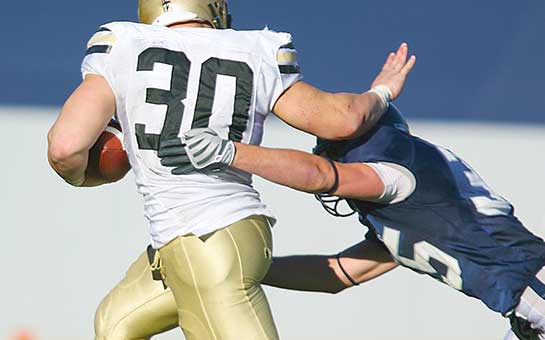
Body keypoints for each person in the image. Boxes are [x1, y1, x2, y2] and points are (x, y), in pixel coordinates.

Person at [46, 0, 416, 339]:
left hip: (204, 241)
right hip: (213, 238)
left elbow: (66, 147)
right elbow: (341, 120)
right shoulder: (256, 50)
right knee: (116, 324)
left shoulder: (123, 44)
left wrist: (86, 174)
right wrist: (381, 91)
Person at [179, 105, 545, 339]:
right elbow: (337, 274)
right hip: (525, 308)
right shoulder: (411, 208)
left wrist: (231, 153)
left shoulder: (395, 177)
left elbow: (321, 176)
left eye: (335, 152)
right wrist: (248, 269)